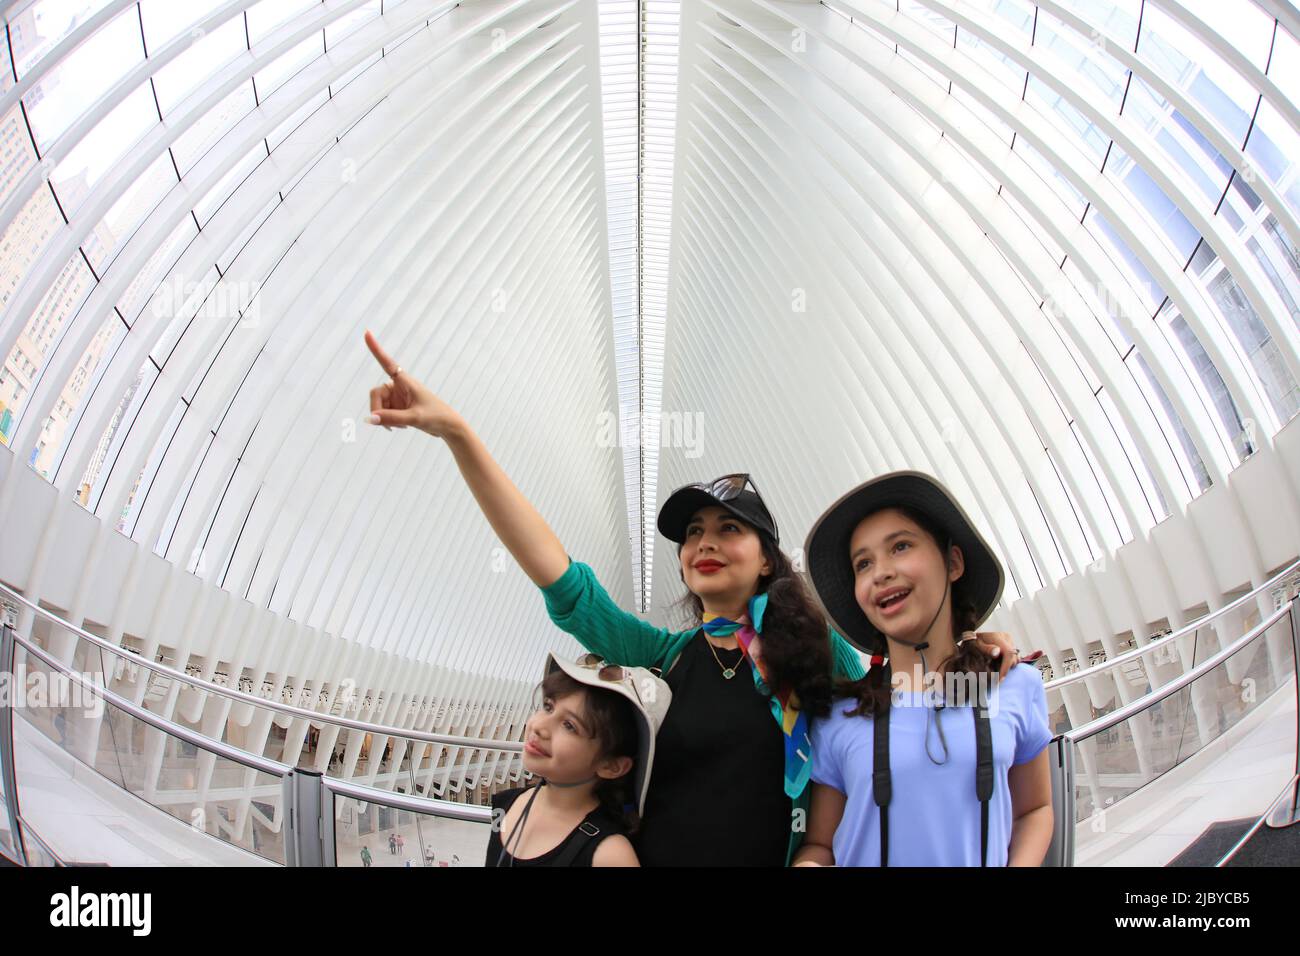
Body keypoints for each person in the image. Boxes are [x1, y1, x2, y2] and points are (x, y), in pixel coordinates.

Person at [363, 330, 1023, 865]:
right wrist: (458, 434)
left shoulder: (819, 657)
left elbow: (899, 695)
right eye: (692, 534)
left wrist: (972, 649)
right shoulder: (662, 655)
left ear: (767, 558)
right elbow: (560, 578)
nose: (704, 543)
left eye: (729, 530)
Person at [794, 471, 1054, 867]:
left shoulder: (1015, 685)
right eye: (863, 563)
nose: (879, 572)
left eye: (900, 546)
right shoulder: (840, 716)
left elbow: (1034, 810)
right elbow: (821, 846)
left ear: (952, 562)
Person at [484, 653, 669, 867]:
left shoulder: (609, 854)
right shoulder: (504, 806)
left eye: (569, 725)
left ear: (611, 766)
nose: (539, 727)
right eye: (548, 707)